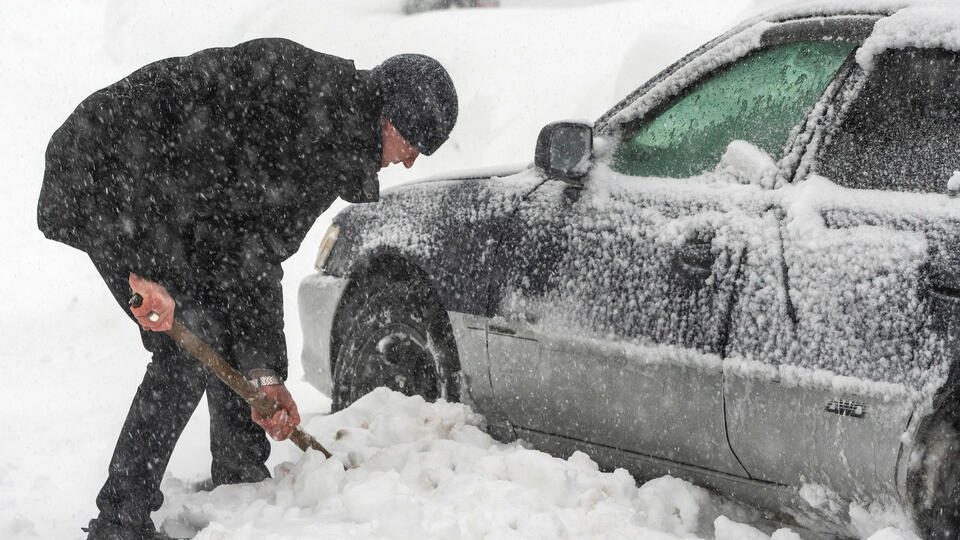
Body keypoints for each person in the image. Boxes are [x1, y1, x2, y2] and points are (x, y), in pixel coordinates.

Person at [37, 38, 457, 540]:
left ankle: (238, 482)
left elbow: (248, 257)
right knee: (189, 334)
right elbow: (198, 192)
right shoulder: (305, 109)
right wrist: (142, 270)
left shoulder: (330, 134)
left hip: (166, 196)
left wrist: (264, 377)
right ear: (390, 122)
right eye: (414, 146)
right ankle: (119, 522)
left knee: (216, 311)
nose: (409, 163)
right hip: (105, 171)